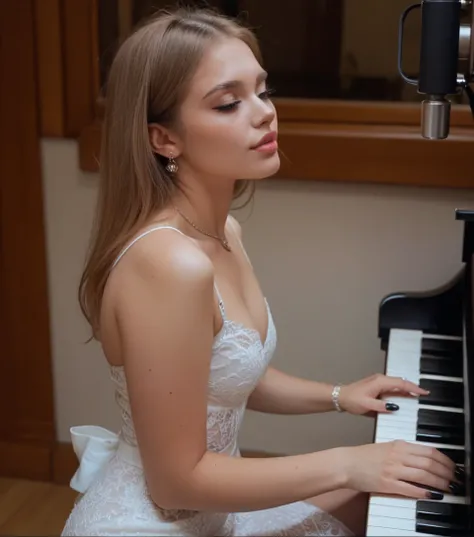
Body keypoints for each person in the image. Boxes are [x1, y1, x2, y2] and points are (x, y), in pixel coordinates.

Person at [61, 6, 461, 537]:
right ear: (164, 139)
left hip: (211, 512)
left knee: (378, 500)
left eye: (262, 91)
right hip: (153, 522)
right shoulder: (170, 265)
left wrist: (340, 394)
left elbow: (223, 375)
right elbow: (176, 482)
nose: (263, 113)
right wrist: (347, 462)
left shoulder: (222, 231)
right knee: (366, 487)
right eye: (229, 103)